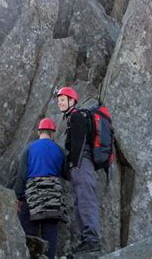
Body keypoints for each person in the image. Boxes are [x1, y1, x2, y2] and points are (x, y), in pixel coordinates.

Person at [14, 118, 66, 259]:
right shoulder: (60, 150)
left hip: (33, 195)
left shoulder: (29, 148)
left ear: (39, 132)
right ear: (53, 133)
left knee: (30, 232)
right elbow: (66, 173)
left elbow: (22, 175)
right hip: (53, 195)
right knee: (50, 232)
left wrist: (18, 196)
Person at [57, 87, 101, 254]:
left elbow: (80, 142)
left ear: (72, 101)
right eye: (59, 100)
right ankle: (87, 239)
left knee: (85, 200)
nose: (59, 102)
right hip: (79, 165)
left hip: (82, 164)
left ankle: (92, 239)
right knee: (79, 202)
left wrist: (75, 163)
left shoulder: (77, 116)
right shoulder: (72, 117)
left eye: (63, 99)